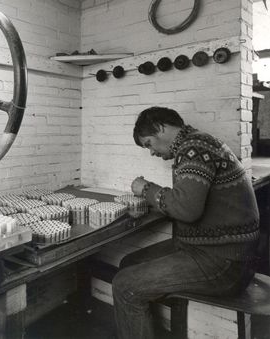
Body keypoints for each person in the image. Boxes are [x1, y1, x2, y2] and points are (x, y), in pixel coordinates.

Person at [112, 106, 260, 339]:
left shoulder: (195, 147)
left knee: (124, 285)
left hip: (224, 262)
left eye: (149, 143)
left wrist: (146, 188)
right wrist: (160, 200)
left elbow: (187, 209)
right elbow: (189, 201)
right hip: (216, 252)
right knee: (130, 262)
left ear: (161, 128)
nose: (151, 152)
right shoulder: (197, 143)